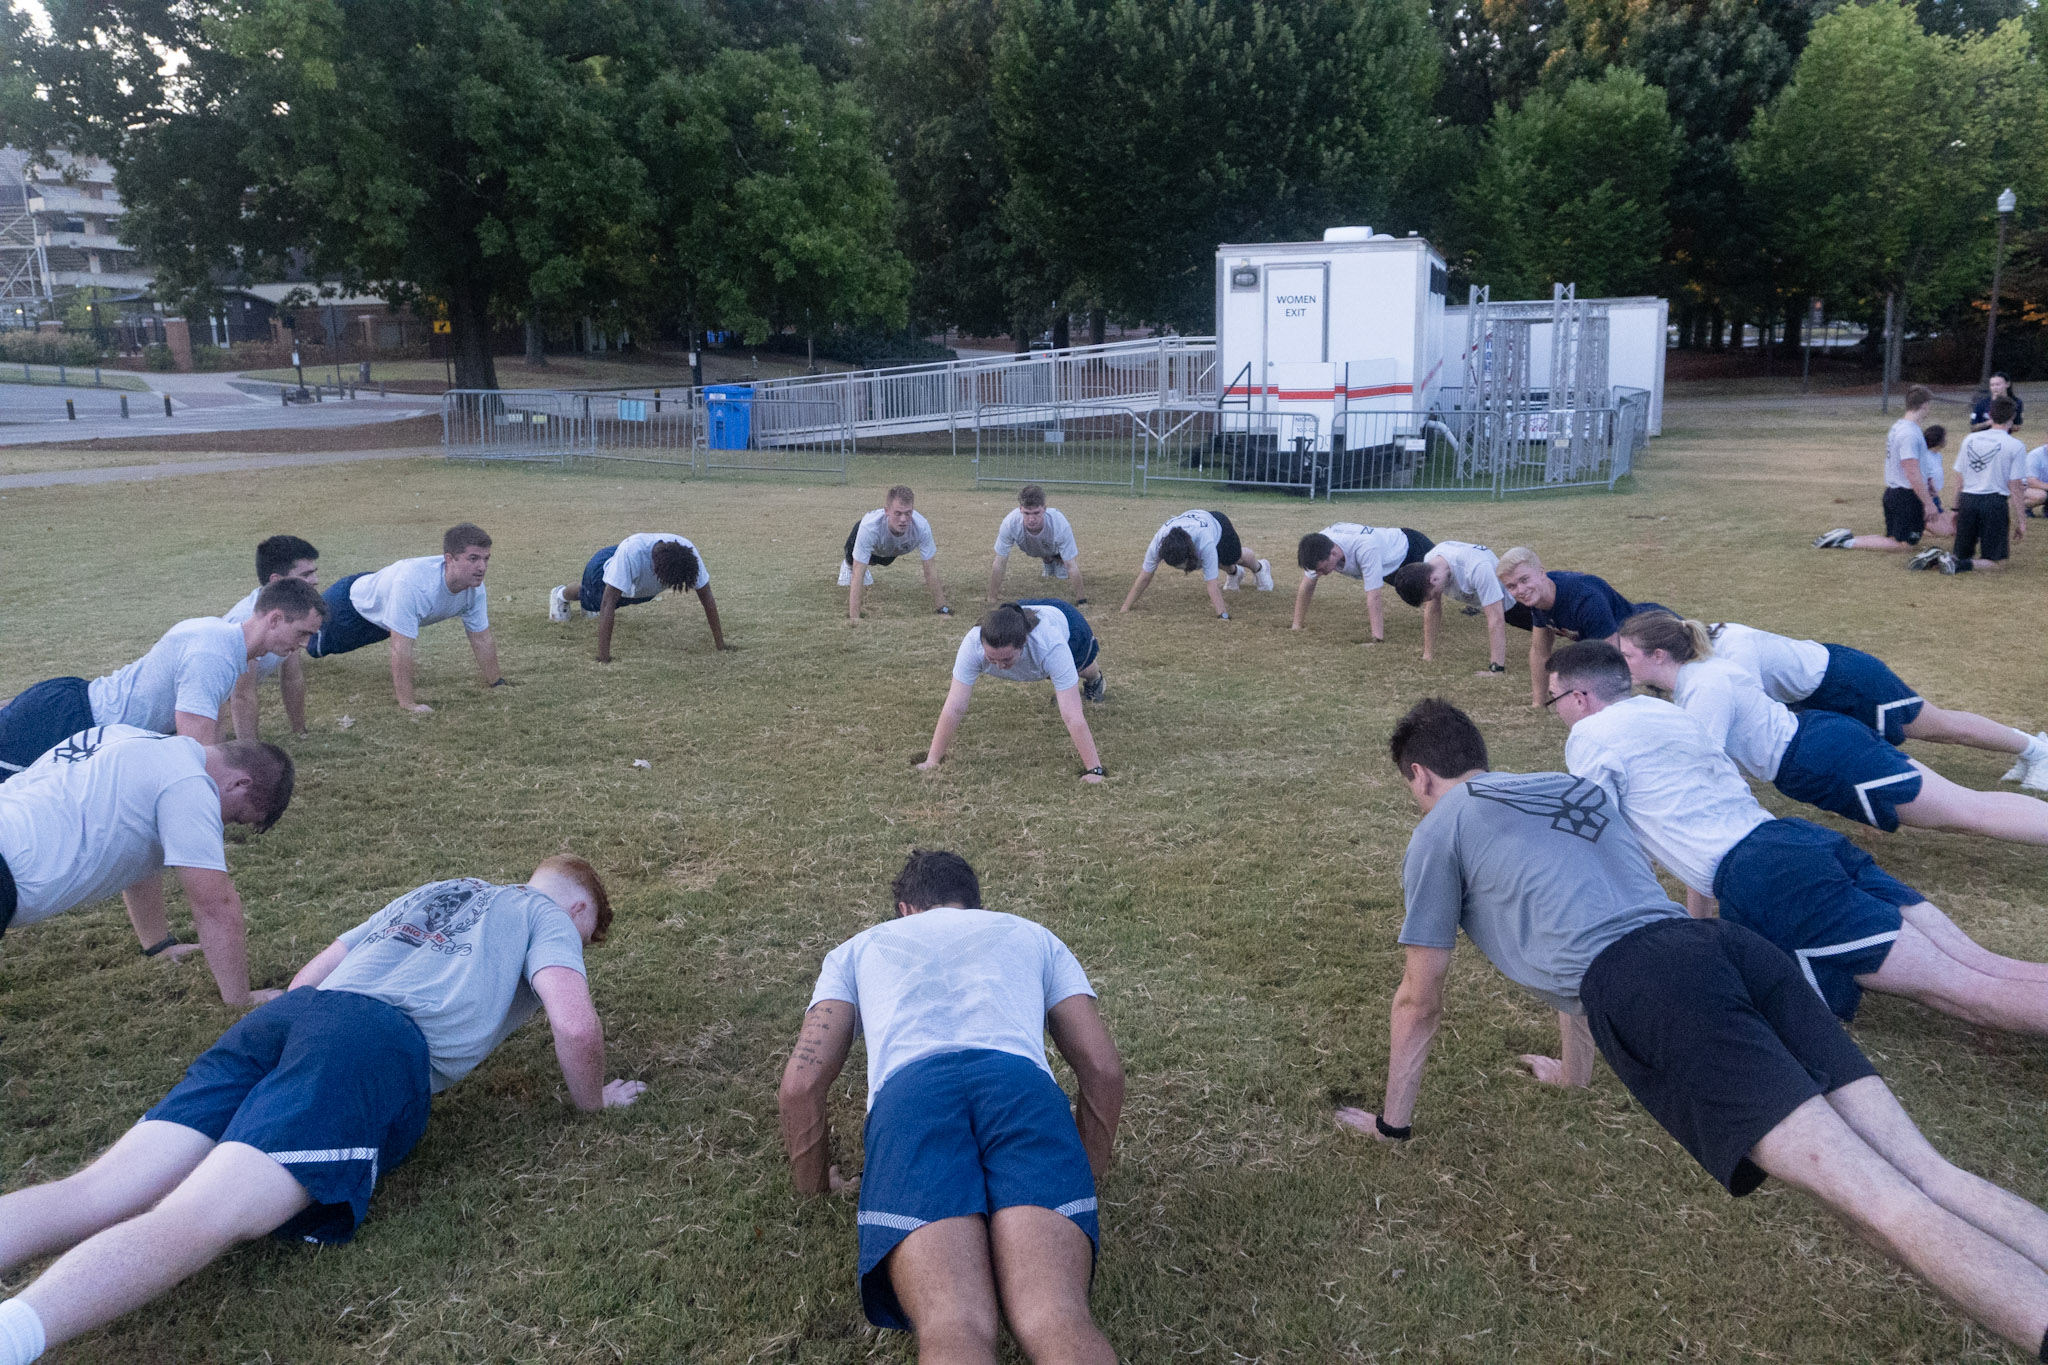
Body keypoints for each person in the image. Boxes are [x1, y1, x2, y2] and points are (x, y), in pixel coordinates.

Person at [1336, 698, 2048, 1363]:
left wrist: (1393, 1124)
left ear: (1420, 774)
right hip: (1728, 948)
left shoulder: (1440, 828)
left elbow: (1419, 1001)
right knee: (1925, 1173)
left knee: (1884, 1201)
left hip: (1654, 986)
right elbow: (1579, 919)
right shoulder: (1569, 787)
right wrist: (1573, 1068)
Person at [0, 856, 645, 1365]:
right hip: (367, 1046)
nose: (578, 948)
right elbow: (576, 1025)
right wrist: (594, 1100)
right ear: (580, 907)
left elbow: (312, 974)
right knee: (200, 1216)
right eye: (587, 938)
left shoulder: (441, 889)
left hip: (285, 1020)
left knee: (96, 1188)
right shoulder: (551, 916)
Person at [1546, 640, 2048, 1035]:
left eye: (1555, 701)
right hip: (1797, 841)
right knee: (1982, 964)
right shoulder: (1671, 712)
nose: (1557, 712)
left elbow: (1589, 826)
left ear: (1580, 697)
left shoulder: (1589, 736)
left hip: (1767, 878)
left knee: (1963, 988)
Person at [778, 849, 1124, 1364]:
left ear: (904, 909)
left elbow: (801, 1087)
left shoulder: (856, 949)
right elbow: (1103, 1071)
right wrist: (1083, 1168)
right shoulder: (1032, 935)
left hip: (912, 1100)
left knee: (953, 1325)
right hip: (1022, 1091)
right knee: (1055, 1315)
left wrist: (813, 1185)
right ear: (975, 904)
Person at [1614, 612, 2048, 846]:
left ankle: (2035, 748)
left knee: (1969, 810)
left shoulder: (1708, 681)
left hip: (1826, 742)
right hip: (1818, 744)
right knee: (1962, 813)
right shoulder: (1698, 676)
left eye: (1627, 655)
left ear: (1658, 654)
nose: (1620, 664)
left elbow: (1705, 770)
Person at [0, 724, 294, 1005]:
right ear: (241, 783)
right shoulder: (188, 784)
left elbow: (139, 856)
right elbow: (215, 906)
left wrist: (158, 945)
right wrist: (240, 1000)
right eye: (237, 817)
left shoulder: (127, 737)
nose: (224, 825)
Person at [0, 579, 327, 779]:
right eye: (301, 632)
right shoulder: (212, 658)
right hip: (67, 721)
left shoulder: (224, 640)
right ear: (275, 618)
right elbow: (192, 753)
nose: (303, 644)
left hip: (74, 706)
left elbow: (208, 731)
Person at [1707, 619, 2048, 790]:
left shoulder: (1731, 648)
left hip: (1846, 681)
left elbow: (1750, 712)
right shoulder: (1713, 644)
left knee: (1940, 728)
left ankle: (2036, 750)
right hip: (1823, 689)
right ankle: (2029, 750)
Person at [306, 523, 503, 712]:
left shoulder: (473, 588)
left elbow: (481, 638)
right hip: (349, 607)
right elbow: (400, 648)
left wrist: (497, 683)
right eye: (473, 558)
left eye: (486, 559)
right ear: (449, 559)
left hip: (381, 608)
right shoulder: (413, 585)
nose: (482, 567)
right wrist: (408, 704)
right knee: (311, 646)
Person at [916, 602, 1107, 783]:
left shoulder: (1050, 645)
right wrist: (932, 760)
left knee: (1081, 669)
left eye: (1006, 659)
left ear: (1023, 643)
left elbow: (1072, 715)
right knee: (1056, 673)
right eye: (991, 658)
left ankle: (1095, 679)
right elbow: (955, 706)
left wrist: (1094, 770)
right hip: (1019, 613)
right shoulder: (973, 644)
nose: (999, 666)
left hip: (1066, 620)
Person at [1494, 546, 1668, 708]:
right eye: (1512, 586)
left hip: (1656, 632)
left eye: (1524, 580)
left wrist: (1611, 707)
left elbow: (1610, 656)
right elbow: (1540, 652)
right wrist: (1538, 704)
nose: (1521, 590)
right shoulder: (1539, 596)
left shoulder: (1585, 599)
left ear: (1541, 573)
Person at [548, 533, 726, 662]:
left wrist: (720, 645)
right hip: (601, 570)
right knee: (590, 597)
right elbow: (608, 602)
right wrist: (604, 657)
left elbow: (706, 596)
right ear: (656, 571)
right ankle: (560, 594)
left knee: (614, 598)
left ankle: (587, 605)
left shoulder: (687, 556)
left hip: (636, 588)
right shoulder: (633, 554)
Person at [1813, 386, 1952, 551]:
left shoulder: (1898, 427)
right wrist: (1928, 503)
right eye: (1929, 405)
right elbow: (1911, 471)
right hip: (1906, 496)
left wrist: (1927, 486)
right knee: (1904, 546)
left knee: (1895, 539)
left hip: (1894, 492)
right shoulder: (1910, 433)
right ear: (1925, 405)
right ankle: (1844, 542)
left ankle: (1844, 538)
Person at [1912, 394, 2024, 574]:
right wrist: (2021, 520)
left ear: (1990, 415)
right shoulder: (2015, 445)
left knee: (1962, 552)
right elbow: (2016, 485)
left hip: (1968, 500)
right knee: (1996, 562)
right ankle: (1956, 565)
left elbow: (1960, 479)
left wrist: (1956, 508)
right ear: (2012, 418)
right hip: (1993, 503)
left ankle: (1936, 557)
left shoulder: (1970, 440)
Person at [226, 535, 320, 741]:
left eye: (314, 572)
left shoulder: (291, 613)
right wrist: (250, 753)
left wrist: (300, 731)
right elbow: (241, 696)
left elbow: (292, 676)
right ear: (276, 580)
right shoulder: (247, 620)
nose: (315, 580)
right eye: (306, 574)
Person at [1119, 509, 1273, 619]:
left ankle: (1260, 567)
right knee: (1215, 562)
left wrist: (1223, 615)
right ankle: (1235, 573)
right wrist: (1125, 608)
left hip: (1219, 525)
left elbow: (1212, 585)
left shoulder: (1205, 541)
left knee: (1234, 558)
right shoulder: (1158, 543)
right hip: (1199, 526)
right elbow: (1145, 576)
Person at [1290, 523, 1433, 641]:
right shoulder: (1316, 547)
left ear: (1333, 553)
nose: (1319, 574)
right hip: (1386, 564)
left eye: (1322, 569)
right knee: (1417, 592)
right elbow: (1307, 586)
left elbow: (1374, 595)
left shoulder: (1364, 548)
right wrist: (1296, 625)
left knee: (1443, 578)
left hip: (1410, 548)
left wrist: (1377, 639)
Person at [1385, 542, 1510, 676]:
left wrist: (1496, 670)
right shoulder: (1430, 561)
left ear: (1434, 579)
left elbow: (1496, 619)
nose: (1432, 599)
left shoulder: (1477, 567)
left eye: (1430, 595)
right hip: (1484, 597)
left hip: (1513, 599)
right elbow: (1433, 610)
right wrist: (1428, 654)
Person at [843, 486, 951, 620]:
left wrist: (943, 609)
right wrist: (855, 618)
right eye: (898, 513)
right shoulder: (869, 528)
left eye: (908, 513)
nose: (903, 519)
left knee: (884, 560)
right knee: (852, 561)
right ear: (887, 511)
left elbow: (930, 570)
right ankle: (847, 564)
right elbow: (858, 573)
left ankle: (875, 559)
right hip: (865, 538)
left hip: (889, 552)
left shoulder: (922, 527)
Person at [990, 486, 1086, 605]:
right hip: (1029, 547)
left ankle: (1054, 560)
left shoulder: (1060, 523)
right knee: (1040, 544)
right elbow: (1000, 562)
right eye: (1026, 513)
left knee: (1062, 573)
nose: (1031, 519)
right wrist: (992, 598)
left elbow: (1071, 565)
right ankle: (1048, 560)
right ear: (1020, 509)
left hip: (1054, 548)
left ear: (1044, 509)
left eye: (1036, 513)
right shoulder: (1010, 523)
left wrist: (1082, 602)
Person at [2019, 438, 2048, 515]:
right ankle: (2022, 507)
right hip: (2026, 487)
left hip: (2044, 486)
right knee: (2041, 496)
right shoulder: (2035, 455)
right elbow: (2031, 482)